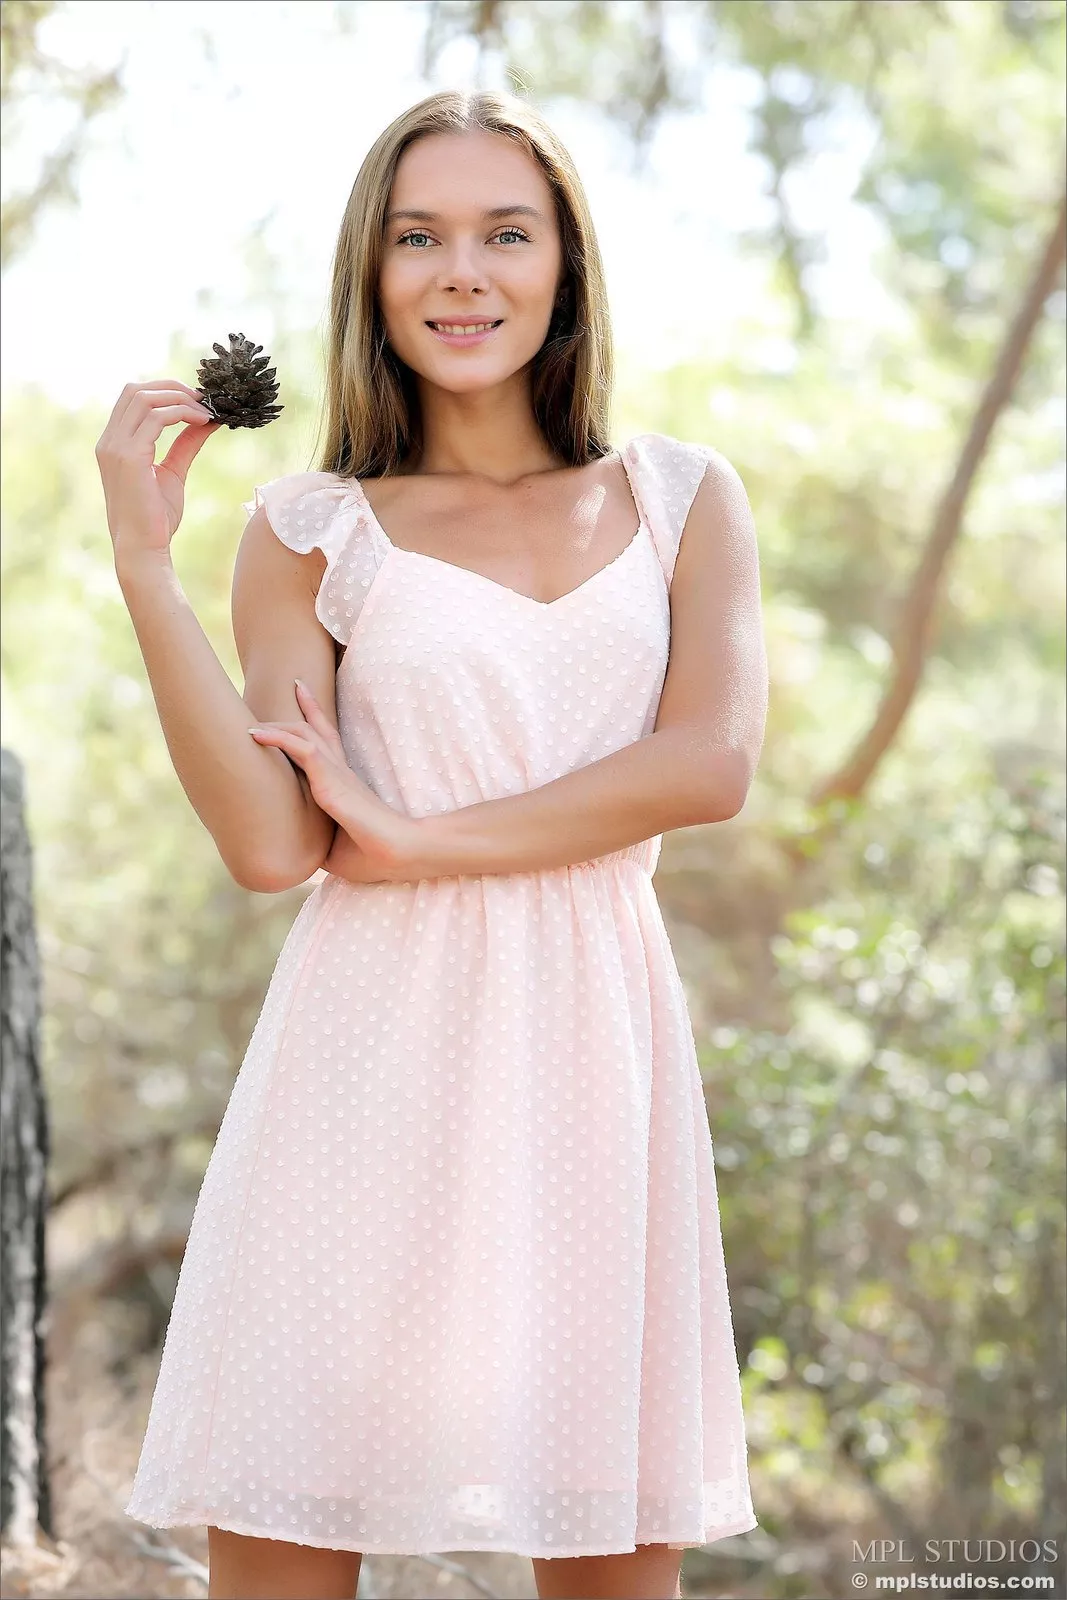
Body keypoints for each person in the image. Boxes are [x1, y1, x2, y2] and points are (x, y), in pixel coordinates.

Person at [96, 88, 767, 1600]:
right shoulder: (311, 526)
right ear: (372, 272)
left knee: (608, 1542)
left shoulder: (678, 498)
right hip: (364, 1057)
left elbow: (708, 764)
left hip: (594, 1055)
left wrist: (420, 835)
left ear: (564, 263)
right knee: (289, 1511)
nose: (462, 273)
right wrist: (147, 569)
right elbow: (275, 845)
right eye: (419, 238)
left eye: (504, 233)